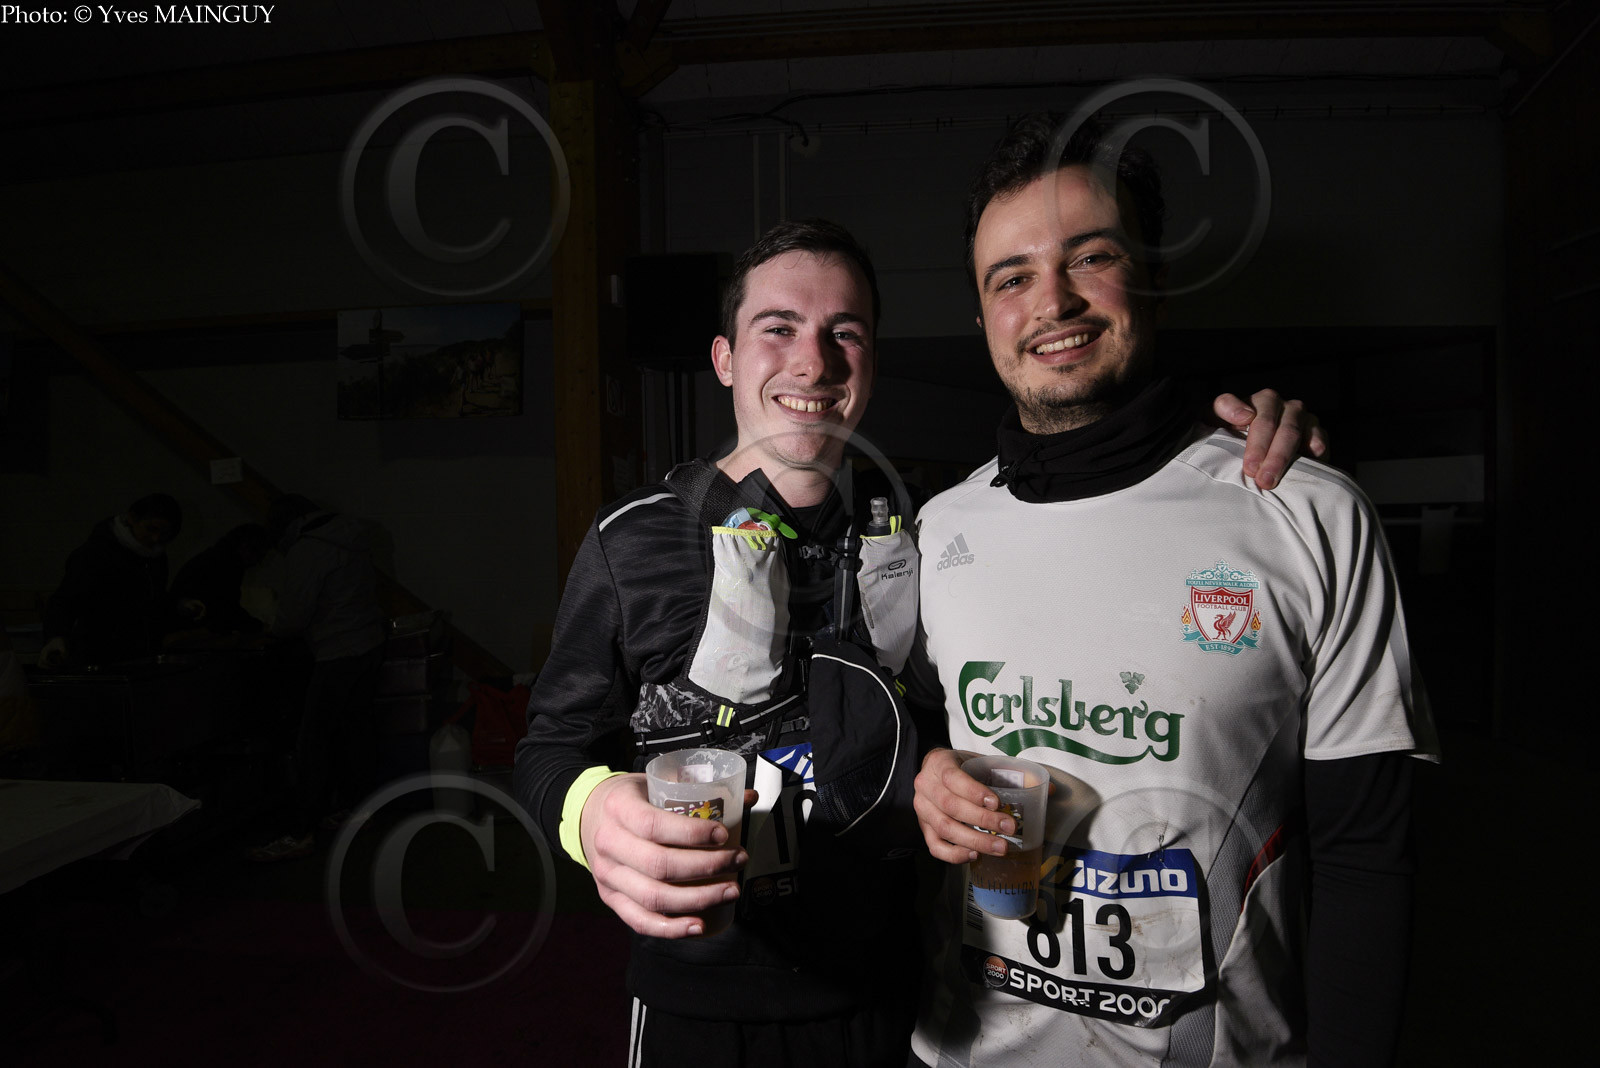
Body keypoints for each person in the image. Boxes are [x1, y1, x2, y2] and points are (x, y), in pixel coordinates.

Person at [513, 217, 1322, 1067]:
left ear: (871, 362)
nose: (813, 362)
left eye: (845, 333)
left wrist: (1225, 454)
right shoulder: (633, 538)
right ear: (724, 358)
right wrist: (589, 811)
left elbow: (1084, 507)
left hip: (897, 998)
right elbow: (549, 748)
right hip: (701, 1004)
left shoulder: (933, 536)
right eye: (778, 328)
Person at [908, 115, 1435, 1068]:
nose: (1052, 301)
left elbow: (1366, 858)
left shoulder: (1305, 511)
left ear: (1153, 275)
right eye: (1011, 277)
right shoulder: (942, 528)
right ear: (983, 315)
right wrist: (927, 776)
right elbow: (911, 742)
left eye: (1091, 257)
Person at [249, 494, 387, 862]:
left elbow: (293, 616)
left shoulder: (307, 550)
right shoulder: (352, 535)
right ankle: (359, 810)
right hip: (370, 643)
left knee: (312, 742)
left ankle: (300, 832)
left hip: (337, 651)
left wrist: (270, 627)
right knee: (358, 732)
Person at [40, 492, 190, 667]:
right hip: (101, 655)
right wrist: (56, 636)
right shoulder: (96, 554)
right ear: (132, 519)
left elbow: (153, 599)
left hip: (141, 654)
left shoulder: (155, 557)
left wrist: (178, 605)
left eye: (164, 533)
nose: (156, 538)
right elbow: (66, 598)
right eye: (151, 529)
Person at [168, 523, 272, 639]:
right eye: (258, 555)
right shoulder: (227, 564)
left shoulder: (215, 557)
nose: (257, 562)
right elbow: (228, 610)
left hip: (180, 626)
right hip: (185, 630)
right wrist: (258, 627)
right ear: (245, 547)